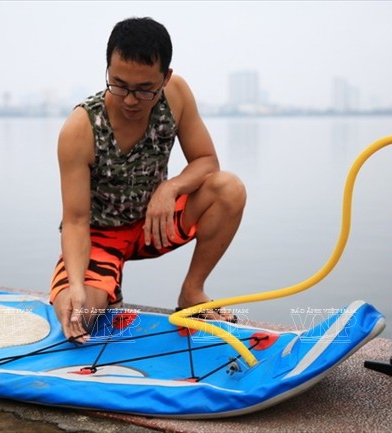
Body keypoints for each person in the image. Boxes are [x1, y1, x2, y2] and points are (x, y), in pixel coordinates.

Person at [49, 17, 246, 343]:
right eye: (120, 84)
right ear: (108, 70)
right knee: (79, 317)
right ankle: (104, 290)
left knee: (229, 189)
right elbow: (75, 220)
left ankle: (191, 294)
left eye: (144, 90)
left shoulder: (177, 94)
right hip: (99, 237)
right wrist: (76, 285)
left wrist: (170, 189)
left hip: (156, 224)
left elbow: (207, 161)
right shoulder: (80, 128)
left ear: (165, 78)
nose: (129, 100)